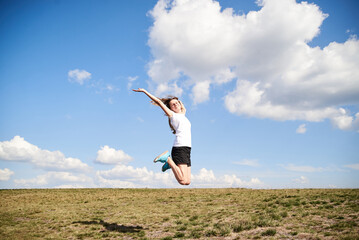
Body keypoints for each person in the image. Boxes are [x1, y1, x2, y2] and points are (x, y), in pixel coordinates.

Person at [133, 88, 191, 185]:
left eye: (177, 103)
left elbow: (184, 108)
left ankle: (170, 163)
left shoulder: (183, 114)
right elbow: (159, 102)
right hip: (180, 147)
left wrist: (178, 101)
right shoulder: (173, 115)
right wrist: (144, 91)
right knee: (182, 181)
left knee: (187, 182)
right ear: (170, 108)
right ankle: (168, 159)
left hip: (187, 148)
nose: (176, 104)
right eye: (173, 104)